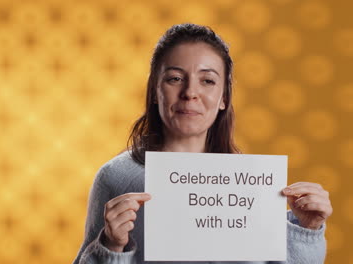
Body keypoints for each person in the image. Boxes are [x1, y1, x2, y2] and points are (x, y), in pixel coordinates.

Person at [73, 23, 332, 264]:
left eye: (207, 80)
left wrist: (306, 230)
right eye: (175, 78)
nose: (190, 93)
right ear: (154, 90)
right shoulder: (116, 177)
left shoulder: (251, 182)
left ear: (224, 98)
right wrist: (110, 246)